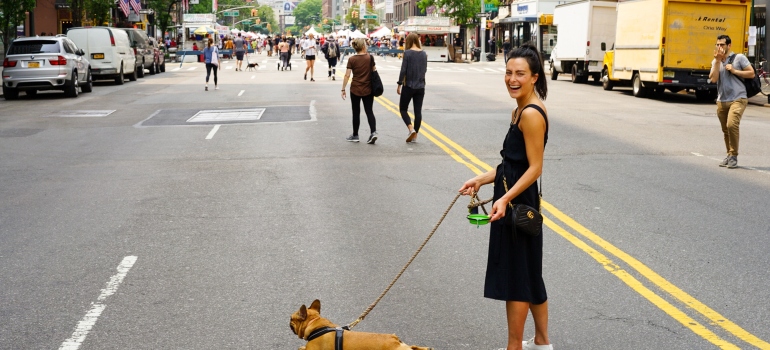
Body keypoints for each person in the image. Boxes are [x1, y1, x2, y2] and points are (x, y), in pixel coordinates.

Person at [458, 44, 552, 350]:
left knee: (517, 279)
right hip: (514, 200)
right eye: (509, 72)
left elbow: (535, 168)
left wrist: (504, 197)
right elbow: (513, 163)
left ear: (535, 77)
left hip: (518, 205)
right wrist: (482, 180)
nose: (512, 79)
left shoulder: (531, 114)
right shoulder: (520, 110)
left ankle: (515, 347)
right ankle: (542, 342)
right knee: (529, 274)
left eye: (520, 74)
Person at [709, 34, 754, 169]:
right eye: (717, 45)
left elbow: (751, 73)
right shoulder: (715, 61)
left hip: (738, 98)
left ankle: (733, 155)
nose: (719, 47)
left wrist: (734, 70)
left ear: (729, 46)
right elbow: (713, 79)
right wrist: (717, 61)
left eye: (722, 45)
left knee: (731, 125)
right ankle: (729, 155)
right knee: (725, 130)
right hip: (722, 100)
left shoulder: (739, 58)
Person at [340, 38, 378, 144]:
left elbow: (347, 75)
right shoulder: (370, 58)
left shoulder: (352, 59)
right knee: (369, 111)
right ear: (363, 47)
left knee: (356, 112)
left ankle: (355, 135)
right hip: (368, 88)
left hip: (355, 89)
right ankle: (373, 132)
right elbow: (374, 71)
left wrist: (343, 88)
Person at [397, 33, 428, 143]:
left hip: (409, 85)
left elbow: (403, 70)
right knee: (418, 111)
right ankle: (415, 135)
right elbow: (425, 70)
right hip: (420, 86)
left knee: (403, 109)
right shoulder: (424, 54)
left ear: (409, 41)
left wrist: (399, 83)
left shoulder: (407, 53)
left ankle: (411, 128)